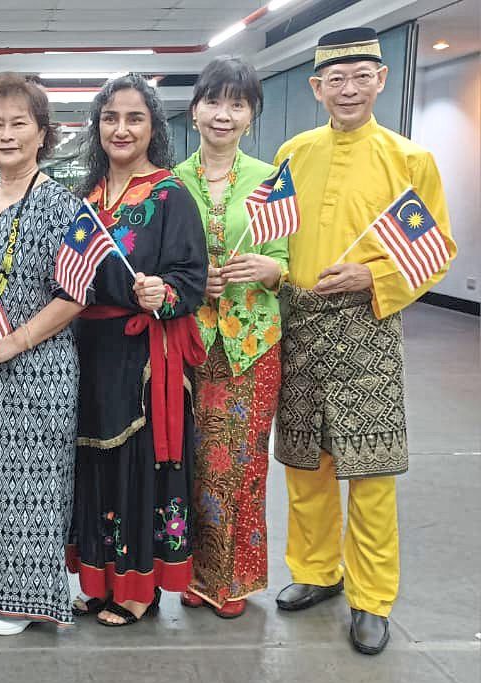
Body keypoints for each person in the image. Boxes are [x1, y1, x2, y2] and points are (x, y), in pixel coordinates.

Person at [272, 28, 455, 655]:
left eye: (361, 77)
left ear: (381, 80)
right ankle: (315, 571)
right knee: (305, 463)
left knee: (370, 472)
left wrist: (373, 274)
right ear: (316, 87)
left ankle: (372, 597)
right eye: (335, 79)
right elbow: (276, 238)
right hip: (298, 325)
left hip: (366, 329)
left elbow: (437, 252)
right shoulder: (293, 153)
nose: (348, 90)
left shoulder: (410, 161)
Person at [66, 74, 208, 627]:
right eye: (110, 118)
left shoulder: (171, 194)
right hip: (86, 353)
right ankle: (98, 582)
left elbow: (192, 279)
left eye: (134, 118)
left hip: (144, 359)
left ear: (154, 127)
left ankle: (137, 591)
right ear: (97, 126)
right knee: (94, 467)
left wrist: (164, 291)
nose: (121, 129)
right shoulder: (84, 197)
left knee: (136, 468)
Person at [0, 73, 84, 636]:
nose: (6, 134)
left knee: (35, 486)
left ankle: (28, 601)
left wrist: (16, 340)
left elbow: (74, 293)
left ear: (42, 133)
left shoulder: (62, 204)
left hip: (40, 370)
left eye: (18, 123)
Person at [174, 57, 288, 619]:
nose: (224, 114)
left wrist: (267, 269)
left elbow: (287, 261)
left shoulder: (271, 180)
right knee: (191, 459)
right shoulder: (171, 183)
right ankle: (193, 571)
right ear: (194, 110)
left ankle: (234, 579)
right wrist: (191, 281)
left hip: (251, 342)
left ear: (250, 115)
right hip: (188, 341)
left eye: (237, 104)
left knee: (242, 463)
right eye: (213, 102)